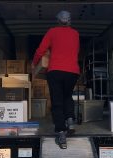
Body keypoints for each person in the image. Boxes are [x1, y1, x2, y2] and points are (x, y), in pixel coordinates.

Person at [31, 10, 80, 149]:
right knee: (67, 96)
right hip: (72, 72)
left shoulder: (52, 32)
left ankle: (61, 133)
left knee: (57, 100)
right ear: (70, 20)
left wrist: (35, 62)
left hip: (56, 71)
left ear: (58, 20)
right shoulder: (75, 34)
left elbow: (41, 49)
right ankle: (70, 119)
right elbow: (75, 51)